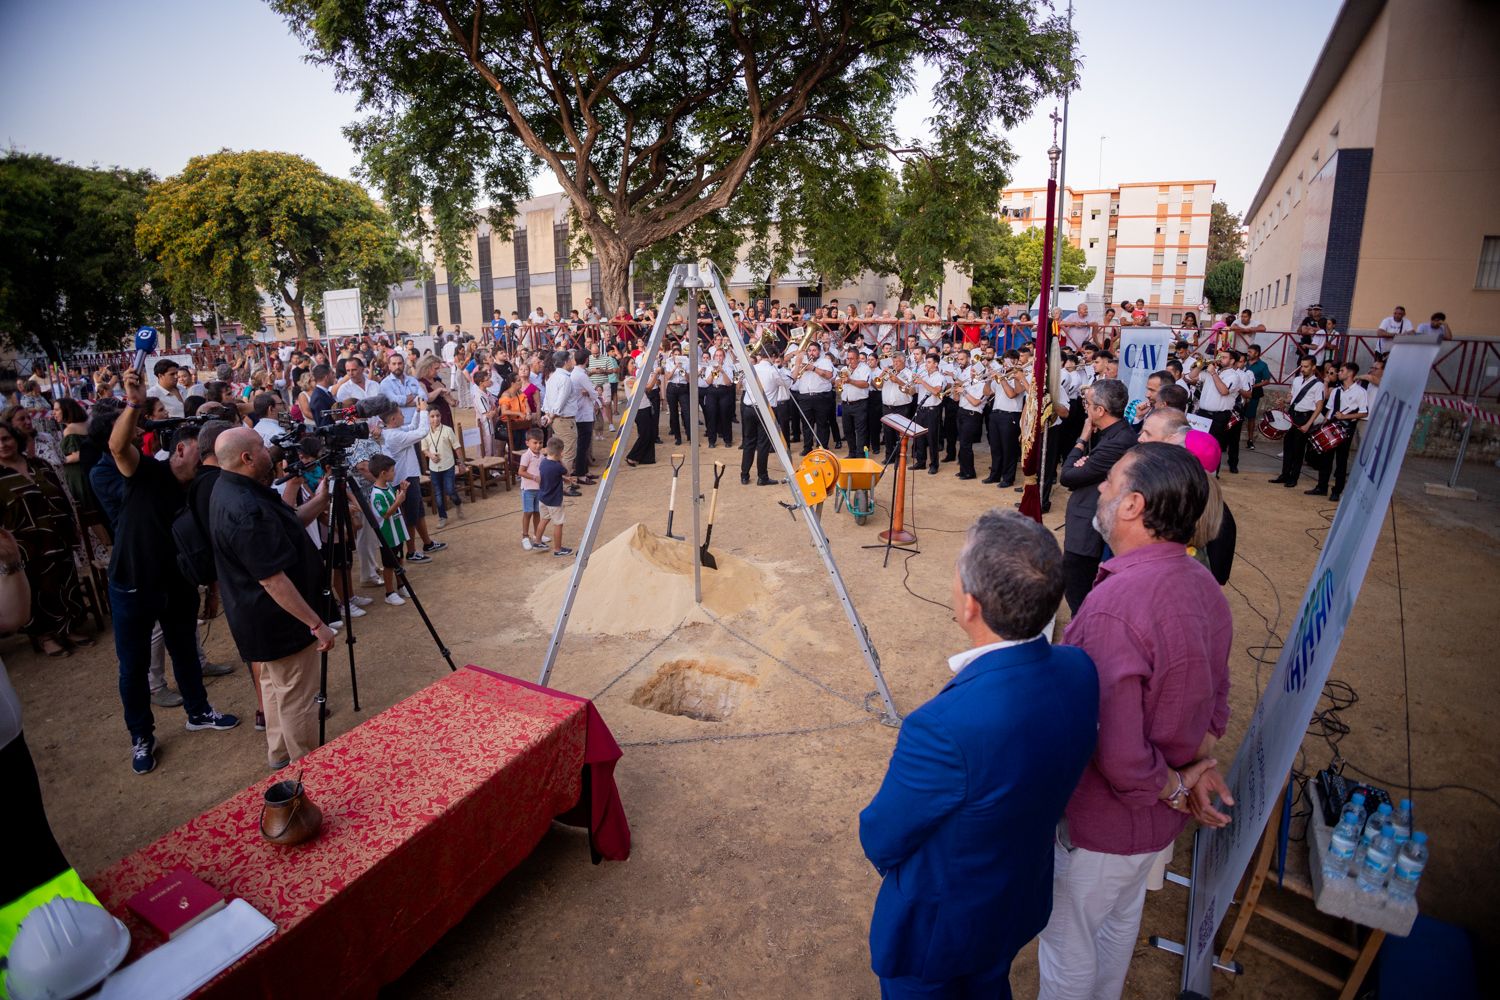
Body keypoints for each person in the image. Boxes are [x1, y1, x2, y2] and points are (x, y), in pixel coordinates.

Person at [861, 510, 1098, 999]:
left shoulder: (944, 726)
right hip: (1016, 896)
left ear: (971, 605)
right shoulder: (1079, 670)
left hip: (940, 927)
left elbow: (883, 835)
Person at [1037, 443, 1234, 1000]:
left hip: (1104, 826)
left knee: (1069, 948)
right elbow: (1217, 696)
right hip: (1151, 826)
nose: (1099, 487)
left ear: (1134, 505)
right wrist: (1190, 772)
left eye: (1111, 482)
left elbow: (1119, 755)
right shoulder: (1201, 584)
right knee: (1116, 930)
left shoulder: (1114, 606)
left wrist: (1174, 786)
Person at [108, 372, 239, 775]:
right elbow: (117, 446)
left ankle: (198, 711)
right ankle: (141, 736)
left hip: (178, 584)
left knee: (185, 651)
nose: (207, 460)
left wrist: (212, 591)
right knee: (133, 665)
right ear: (181, 450)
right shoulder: (147, 473)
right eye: (201, 453)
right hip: (132, 584)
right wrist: (134, 402)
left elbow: (209, 540)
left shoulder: (202, 487)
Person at [210, 427, 333, 769]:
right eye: (262, 447)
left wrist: (319, 501)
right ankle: (304, 769)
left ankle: (279, 759)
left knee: (276, 689)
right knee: (298, 698)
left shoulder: (233, 488)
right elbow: (273, 580)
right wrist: (316, 623)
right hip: (280, 622)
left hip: (258, 621)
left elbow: (286, 525)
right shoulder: (244, 507)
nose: (271, 452)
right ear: (247, 458)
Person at [0, 423, 89, 657]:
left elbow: (62, 494)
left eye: (6, 438)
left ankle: (68, 628)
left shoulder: (39, 465)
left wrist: (73, 525)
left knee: (66, 579)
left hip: (57, 534)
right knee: (38, 588)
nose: (3, 444)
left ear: (15, 439)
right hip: (26, 545)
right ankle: (46, 636)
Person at [1058, 380, 1137, 613]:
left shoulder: (1118, 441)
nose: (1085, 407)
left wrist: (1082, 440)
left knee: (1078, 591)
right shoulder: (1111, 434)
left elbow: (1068, 475)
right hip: (1088, 518)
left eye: (1088, 403)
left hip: (1089, 529)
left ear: (1100, 410)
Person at [1306, 361, 1368, 502]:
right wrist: (1324, 424)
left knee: (1341, 460)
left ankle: (1337, 491)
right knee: (1326, 457)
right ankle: (1321, 487)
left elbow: (1364, 413)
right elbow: (1330, 409)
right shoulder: (1336, 391)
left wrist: (1345, 416)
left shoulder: (1360, 392)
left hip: (1346, 428)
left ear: (1350, 373)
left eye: (1341, 371)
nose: (1338, 373)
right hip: (1332, 426)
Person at [366, 453, 410, 606]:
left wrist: (402, 492)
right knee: (389, 565)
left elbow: (396, 502)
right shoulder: (377, 494)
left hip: (397, 533)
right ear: (383, 473)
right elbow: (385, 514)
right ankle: (389, 593)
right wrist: (398, 501)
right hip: (387, 536)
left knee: (399, 559)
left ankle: (401, 585)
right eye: (392, 470)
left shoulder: (389, 487)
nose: (394, 472)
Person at [541, 350, 581, 494]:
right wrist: (551, 415)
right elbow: (560, 402)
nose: (572, 362)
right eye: (570, 359)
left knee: (560, 452)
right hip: (564, 419)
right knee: (568, 453)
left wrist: (547, 414)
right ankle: (566, 486)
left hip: (557, 419)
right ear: (565, 362)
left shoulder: (552, 377)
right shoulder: (564, 379)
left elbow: (547, 399)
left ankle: (564, 481)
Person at [421, 407, 465, 527]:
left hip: (448, 465)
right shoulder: (425, 432)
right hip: (434, 468)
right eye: (432, 416)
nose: (436, 419)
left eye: (438, 415)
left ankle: (458, 503)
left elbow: (457, 447)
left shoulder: (447, 430)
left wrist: (461, 463)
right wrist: (430, 455)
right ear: (428, 418)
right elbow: (424, 448)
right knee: (438, 494)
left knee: (450, 490)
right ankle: (442, 516)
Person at [535, 438, 574, 557]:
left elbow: (552, 477)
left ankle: (537, 542)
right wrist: (561, 461)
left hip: (543, 498)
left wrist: (563, 479)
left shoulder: (543, 462)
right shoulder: (558, 467)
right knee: (558, 523)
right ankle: (558, 549)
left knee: (544, 520)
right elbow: (566, 472)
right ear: (560, 453)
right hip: (554, 501)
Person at [1240, 345, 1274, 451]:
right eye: (1248, 351)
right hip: (1240, 392)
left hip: (1254, 393)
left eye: (1250, 352)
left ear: (1257, 353)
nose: (1248, 353)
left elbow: (1267, 380)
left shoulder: (1263, 365)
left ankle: (1250, 440)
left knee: (1251, 417)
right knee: (1238, 415)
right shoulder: (1243, 362)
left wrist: (1254, 385)